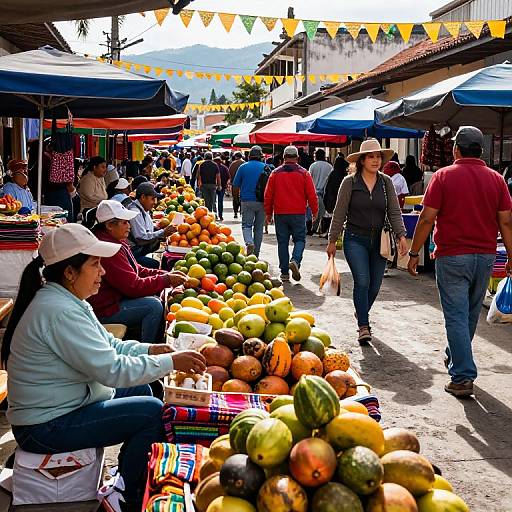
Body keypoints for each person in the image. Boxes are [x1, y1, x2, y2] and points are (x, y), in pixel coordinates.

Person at [2, 223, 206, 512]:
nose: (103, 272)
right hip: (44, 426)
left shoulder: (69, 300)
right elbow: (112, 369)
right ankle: (125, 493)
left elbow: (111, 345)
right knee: (150, 412)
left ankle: (125, 474)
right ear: (70, 272)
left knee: (141, 387)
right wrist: (170, 362)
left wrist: (151, 349)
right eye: (96, 264)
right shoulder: (58, 311)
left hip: (66, 404)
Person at [407, 126, 512, 397]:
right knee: (467, 314)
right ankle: (455, 356)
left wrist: (414, 252)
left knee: (455, 316)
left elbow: (427, 218)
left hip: (452, 256)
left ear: (456, 149)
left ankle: (463, 376)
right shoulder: (497, 179)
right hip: (485, 257)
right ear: (481, 150)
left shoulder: (443, 176)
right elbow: (506, 222)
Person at [327, 139, 408, 344]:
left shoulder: (385, 182)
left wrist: (401, 235)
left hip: (380, 241)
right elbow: (339, 212)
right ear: (362, 160)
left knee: (375, 285)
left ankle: (361, 311)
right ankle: (364, 325)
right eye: (370, 156)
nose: (375, 160)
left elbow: (394, 211)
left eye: (378, 156)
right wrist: (332, 239)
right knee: (362, 281)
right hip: (355, 239)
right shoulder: (350, 182)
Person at [89, 200, 187, 343]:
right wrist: (166, 280)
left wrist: (164, 275)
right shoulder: (108, 249)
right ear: (109, 225)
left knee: (154, 297)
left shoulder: (116, 241)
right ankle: (148, 347)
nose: (129, 226)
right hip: (105, 309)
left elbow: (136, 269)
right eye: (124, 222)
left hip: (114, 299)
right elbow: (133, 287)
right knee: (153, 306)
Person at [264, 146, 318, 282]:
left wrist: (268, 213)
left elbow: (268, 195)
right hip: (298, 213)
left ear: (283, 157)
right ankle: (295, 260)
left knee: (282, 242)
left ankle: (284, 273)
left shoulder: (275, 173)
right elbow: (312, 195)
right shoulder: (304, 173)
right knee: (299, 240)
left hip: (280, 213)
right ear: (298, 158)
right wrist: (315, 211)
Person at [128, 183, 174, 269]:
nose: (155, 202)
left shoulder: (144, 209)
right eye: (152, 199)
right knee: (154, 264)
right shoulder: (135, 212)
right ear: (143, 197)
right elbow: (141, 238)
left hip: (139, 248)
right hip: (132, 252)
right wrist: (162, 232)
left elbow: (149, 229)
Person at [232, 146, 266, 256]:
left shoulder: (243, 167)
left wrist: (236, 199)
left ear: (249, 156)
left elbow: (235, 186)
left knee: (246, 225)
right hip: (262, 202)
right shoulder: (266, 167)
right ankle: (256, 254)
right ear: (261, 157)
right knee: (259, 228)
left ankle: (249, 242)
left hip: (246, 201)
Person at [322, 154, 349, 236]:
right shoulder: (345, 176)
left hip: (332, 200)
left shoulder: (332, 174)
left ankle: (330, 233)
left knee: (332, 218)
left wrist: (326, 200)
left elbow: (327, 188)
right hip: (342, 200)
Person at [309, 149, 333, 235]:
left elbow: (309, 179)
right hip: (325, 194)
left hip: (314, 193)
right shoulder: (329, 166)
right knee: (324, 214)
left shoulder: (313, 166)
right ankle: (322, 230)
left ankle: (314, 229)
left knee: (314, 213)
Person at [229, 152, 245, 219]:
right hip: (243, 184)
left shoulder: (233, 164)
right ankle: (241, 212)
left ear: (235, 156)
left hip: (234, 184)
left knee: (235, 198)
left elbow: (229, 173)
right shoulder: (244, 163)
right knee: (242, 198)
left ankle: (235, 212)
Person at [214, 155, 230, 221]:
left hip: (215, 186)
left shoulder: (213, 167)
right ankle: (220, 215)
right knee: (220, 201)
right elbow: (228, 177)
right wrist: (226, 184)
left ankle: (215, 215)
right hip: (222, 186)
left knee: (214, 202)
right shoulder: (225, 168)